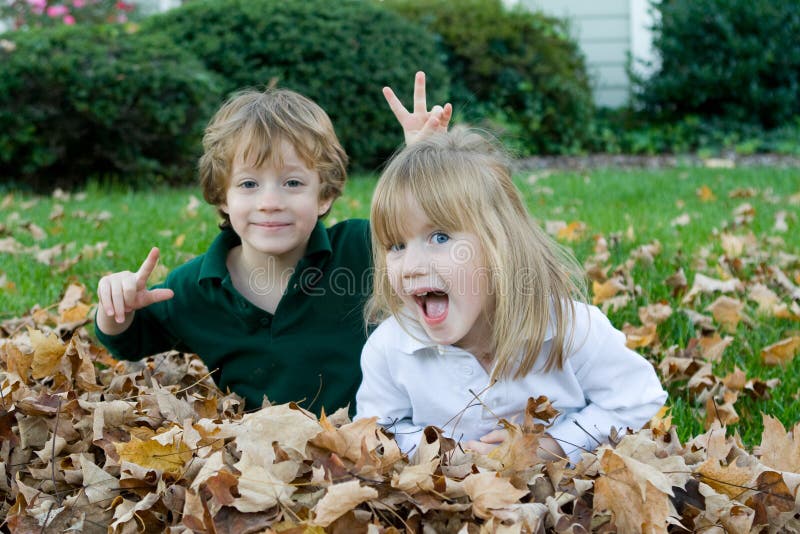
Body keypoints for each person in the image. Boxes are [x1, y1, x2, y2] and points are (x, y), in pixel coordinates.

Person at [94, 72, 452, 413]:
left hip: (378, 447)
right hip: (263, 465)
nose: (270, 201)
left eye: (292, 183)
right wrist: (116, 307)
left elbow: (428, 236)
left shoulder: (361, 248)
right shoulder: (196, 287)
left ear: (324, 195)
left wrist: (422, 164)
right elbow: (128, 341)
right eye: (249, 184)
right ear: (222, 195)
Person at [355, 128, 667, 463]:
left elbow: (639, 401)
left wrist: (552, 446)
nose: (412, 266)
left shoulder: (568, 328)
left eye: (440, 237)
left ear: (500, 244)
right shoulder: (392, 348)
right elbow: (377, 431)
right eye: (397, 246)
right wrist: (443, 453)